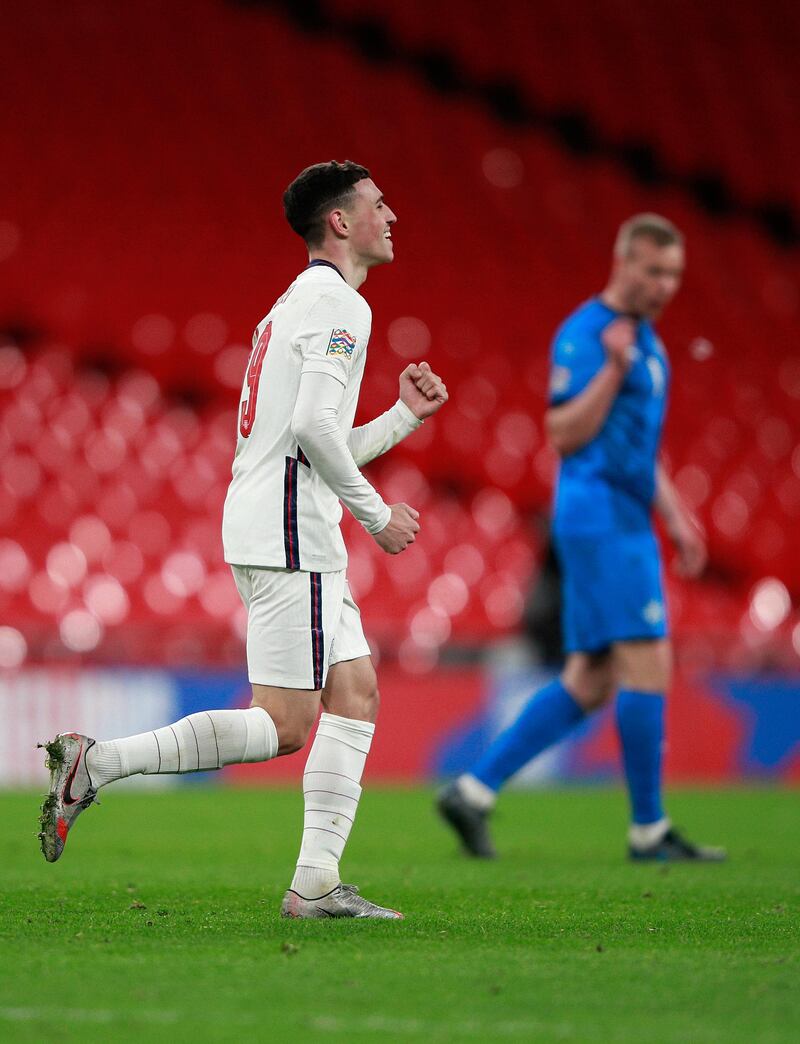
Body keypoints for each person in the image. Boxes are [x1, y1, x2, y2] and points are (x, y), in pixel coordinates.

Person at [38, 160, 449, 918]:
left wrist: (401, 419)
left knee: (355, 692)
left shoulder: (291, 306)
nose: (392, 217)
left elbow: (306, 440)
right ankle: (95, 763)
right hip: (294, 532)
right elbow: (312, 431)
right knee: (286, 724)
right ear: (340, 222)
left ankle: (316, 883)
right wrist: (376, 516)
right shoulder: (339, 307)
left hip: (283, 522)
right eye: (379, 205)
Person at [438, 214, 725, 862]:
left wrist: (676, 515)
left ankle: (472, 791)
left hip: (627, 514)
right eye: (653, 270)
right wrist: (612, 372)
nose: (664, 285)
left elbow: (638, 447)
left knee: (591, 678)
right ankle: (648, 830)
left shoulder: (647, 343)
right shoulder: (589, 335)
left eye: (673, 274)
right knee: (648, 661)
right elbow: (564, 433)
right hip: (599, 518)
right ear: (622, 263)